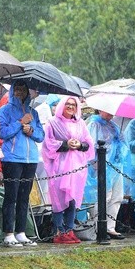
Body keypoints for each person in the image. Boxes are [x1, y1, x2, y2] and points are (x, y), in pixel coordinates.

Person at [0, 80, 45, 247]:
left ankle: (21, 232)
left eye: (22, 89)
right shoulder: (5, 111)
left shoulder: (34, 113)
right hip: (12, 159)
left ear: (27, 92)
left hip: (30, 159)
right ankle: (8, 233)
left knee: (24, 197)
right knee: (11, 197)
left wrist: (30, 130)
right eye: (16, 89)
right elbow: (2, 133)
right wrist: (20, 123)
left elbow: (40, 135)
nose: (19, 92)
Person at [41, 96, 94, 244]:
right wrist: (65, 144)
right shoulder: (52, 123)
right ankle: (59, 231)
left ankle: (69, 229)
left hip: (77, 167)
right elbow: (47, 144)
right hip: (59, 167)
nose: (70, 107)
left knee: (73, 199)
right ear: (62, 106)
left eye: (73, 105)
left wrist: (79, 145)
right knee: (58, 199)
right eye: (68, 104)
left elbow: (88, 143)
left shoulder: (81, 123)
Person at [85, 110, 130, 239]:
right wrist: (95, 163)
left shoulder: (114, 126)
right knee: (103, 196)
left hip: (116, 165)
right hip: (102, 165)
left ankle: (110, 227)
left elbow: (123, 144)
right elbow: (91, 145)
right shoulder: (94, 124)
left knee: (117, 195)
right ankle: (99, 226)